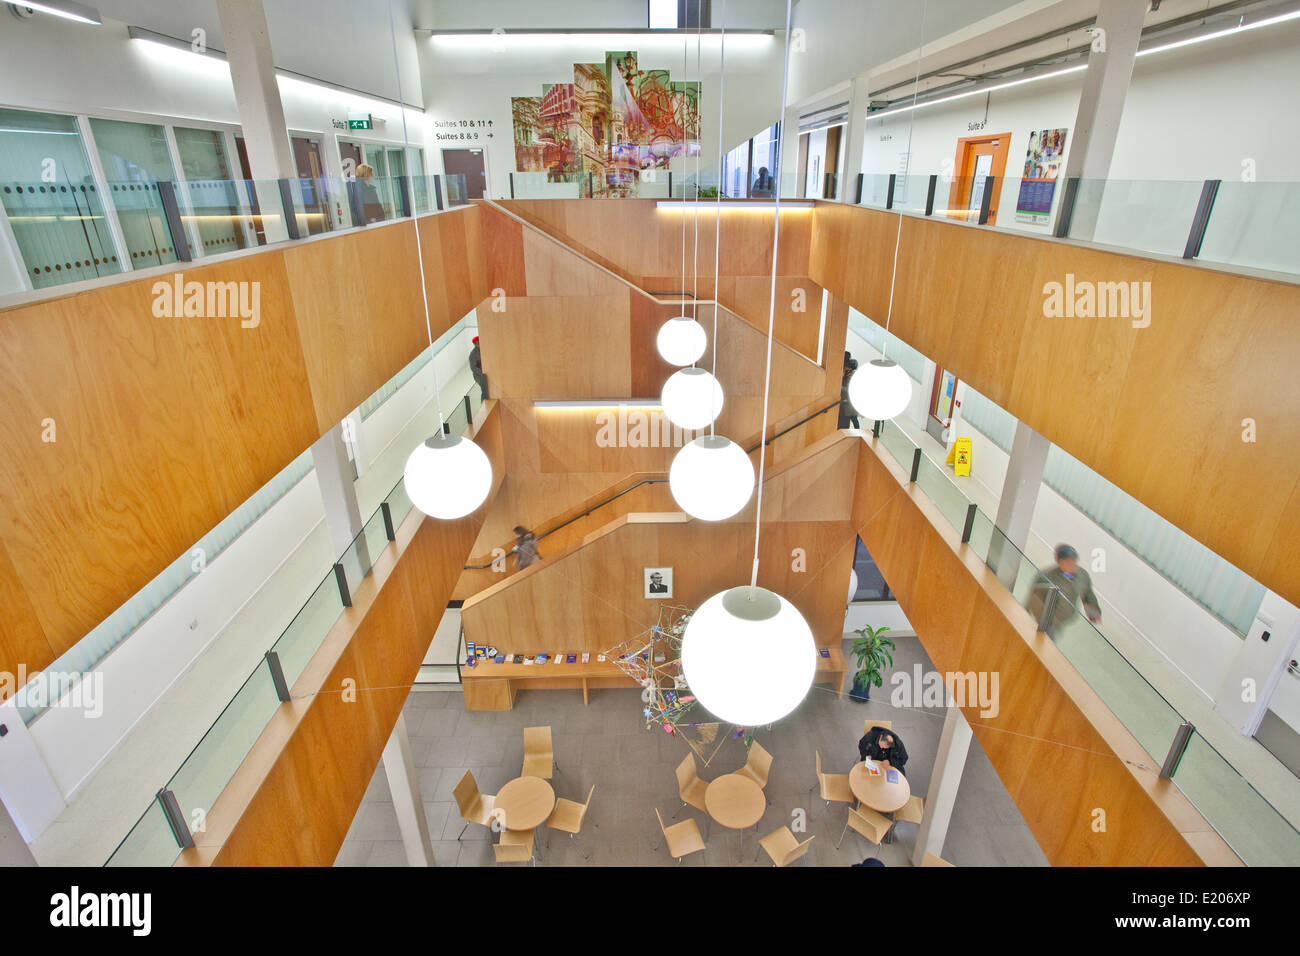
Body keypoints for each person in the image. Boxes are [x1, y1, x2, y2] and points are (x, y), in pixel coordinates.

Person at [1029, 544, 1102, 637]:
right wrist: (1046, 622)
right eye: (1067, 562)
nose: (1072, 564)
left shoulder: (1082, 575)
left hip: (1064, 620)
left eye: (1074, 560)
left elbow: (1087, 594)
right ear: (1059, 562)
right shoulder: (1047, 577)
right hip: (1047, 623)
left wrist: (1094, 612)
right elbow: (1034, 600)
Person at [839, 356, 860, 429]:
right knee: (853, 418)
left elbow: (847, 388)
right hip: (849, 402)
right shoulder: (850, 373)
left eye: (846, 366)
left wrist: (838, 388)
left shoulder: (851, 375)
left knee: (853, 418)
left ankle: (858, 431)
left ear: (850, 367)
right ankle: (858, 431)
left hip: (849, 402)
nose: (844, 367)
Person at [469, 335, 488, 401]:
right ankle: (484, 404)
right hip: (479, 376)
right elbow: (473, 368)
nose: (479, 344)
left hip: (485, 373)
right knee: (485, 390)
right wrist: (482, 372)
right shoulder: (473, 354)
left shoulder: (484, 349)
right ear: (475, 344)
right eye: (478, 343)